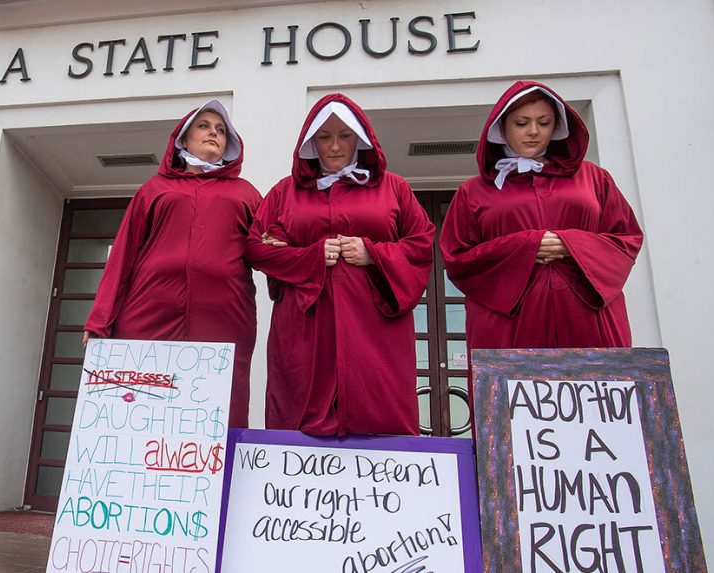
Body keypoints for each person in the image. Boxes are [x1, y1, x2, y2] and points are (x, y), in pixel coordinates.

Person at [246, 93, 435, 437]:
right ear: (311, 142)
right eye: (324, 137)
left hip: (375, 324)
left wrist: (373, 253)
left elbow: (421, 242)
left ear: (360, 140)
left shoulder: (394, 188)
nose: (335, 146)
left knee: (379, 413)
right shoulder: (284, 193)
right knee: (297, 416)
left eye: (345, 136)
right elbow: (255, 247)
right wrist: (309, 256)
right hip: (305, 323)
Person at [83, 100, 261, 428]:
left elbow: (266, 247)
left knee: (218, 405)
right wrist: (100, 319)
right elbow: (123, 254)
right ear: (183, 139)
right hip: (149, 313)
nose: (213, 133)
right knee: (142, 401)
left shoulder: (246, 193)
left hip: (223, 316)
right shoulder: (154, 189)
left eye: (221, 130)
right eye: (204, 126)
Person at [439, 80, 643, 351]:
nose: (533, 132)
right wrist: (526, 247)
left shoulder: (593, 178)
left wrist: (571, 245)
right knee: (514, 392)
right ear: (501, 128)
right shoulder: (473, 192)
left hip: (589, 316)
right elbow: (457, 258)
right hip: (510, 323)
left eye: (544, 123)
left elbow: (626, 239)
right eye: (521, 123)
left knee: (592, 386)